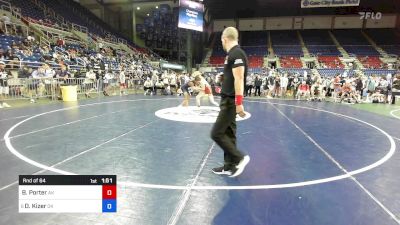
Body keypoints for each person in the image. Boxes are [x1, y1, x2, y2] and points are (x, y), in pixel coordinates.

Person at [211, 27, 250, 178]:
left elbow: (239, 78)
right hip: (227, 98)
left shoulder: (237, 53)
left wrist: (239, 103)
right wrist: (224, 78)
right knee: (229, 133)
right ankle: (229, 166)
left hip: (230, 101)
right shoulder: (232, 55)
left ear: (224, 39)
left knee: (216, 133)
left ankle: (239, 157)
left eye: (221, 40)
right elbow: (233, 77)